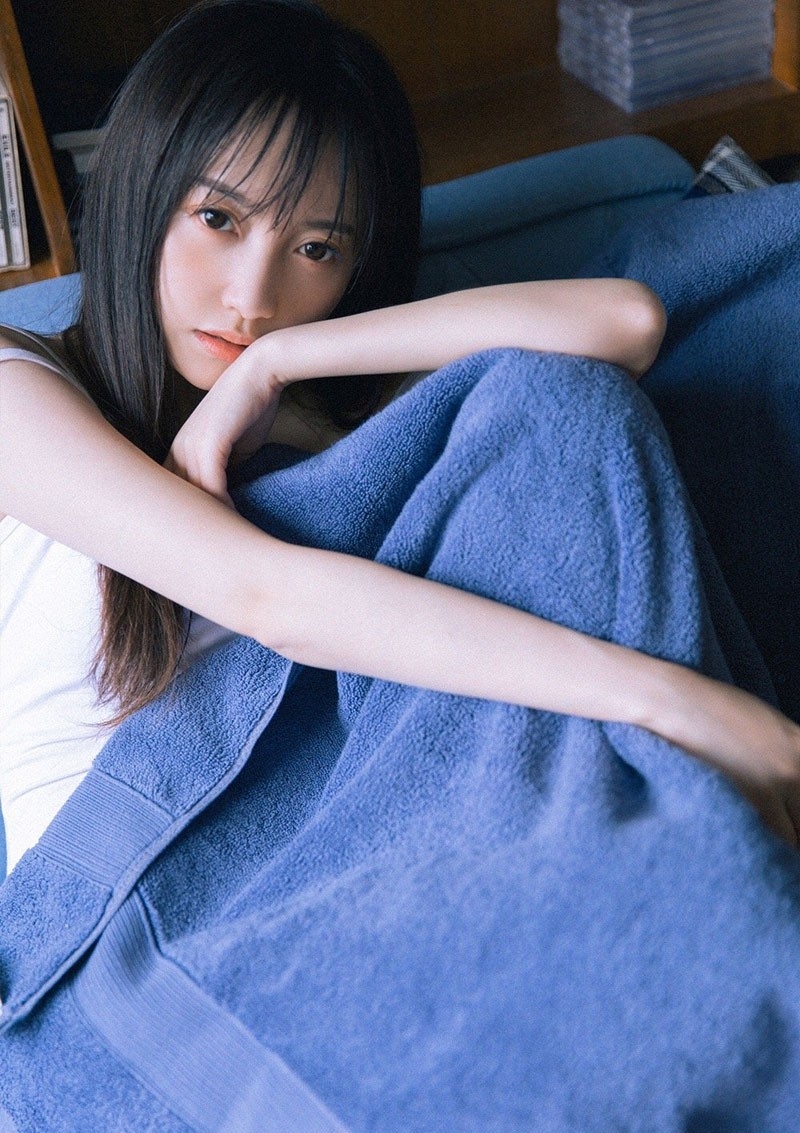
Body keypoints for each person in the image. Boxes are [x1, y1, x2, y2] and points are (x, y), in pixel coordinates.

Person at [0, 0, 798, 878]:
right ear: (140, 187)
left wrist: (277, 365)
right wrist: (665, 701)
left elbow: (625, 323)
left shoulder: (308, 409)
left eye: (316, 248)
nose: (252, 298)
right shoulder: (15, 386)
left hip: (346, 814)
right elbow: (265, 595)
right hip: (126, 889)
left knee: (557, 407)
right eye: (218, 219)